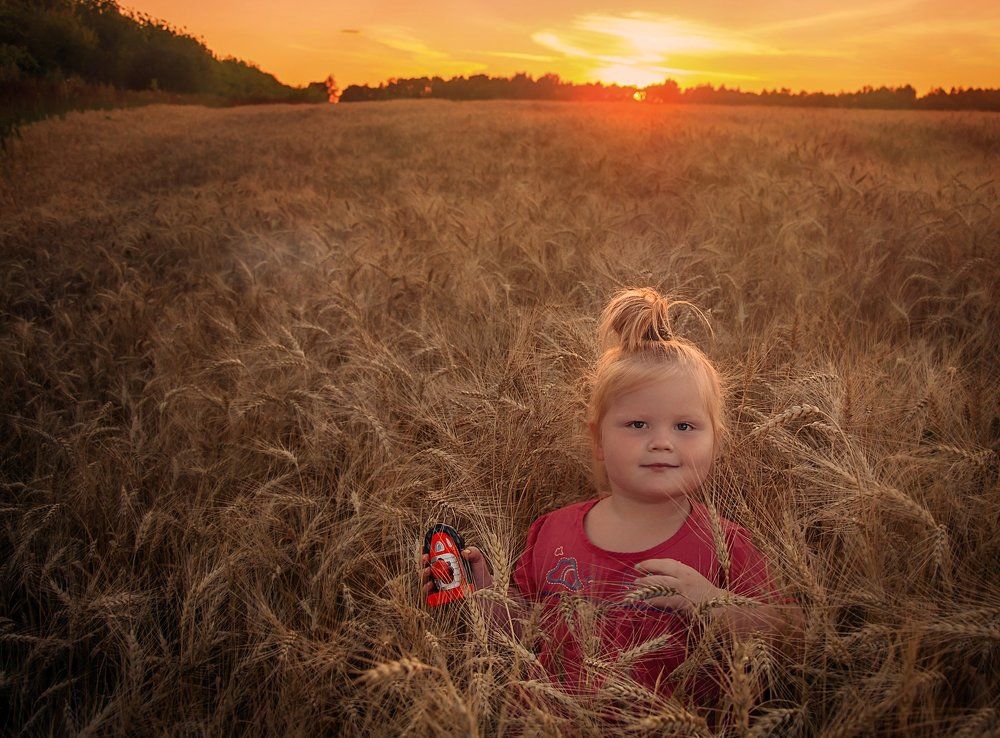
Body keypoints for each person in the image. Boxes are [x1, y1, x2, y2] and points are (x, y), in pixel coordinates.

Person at [421, 286, 804, 712]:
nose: (661, 442)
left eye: (685, 427)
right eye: (637, 424)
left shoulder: (726, 546)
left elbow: (794, 635)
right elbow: (525, 637)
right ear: (598, 440)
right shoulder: (552, 531)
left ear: (716, 441)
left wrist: (712, 603)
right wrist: (483, 597)